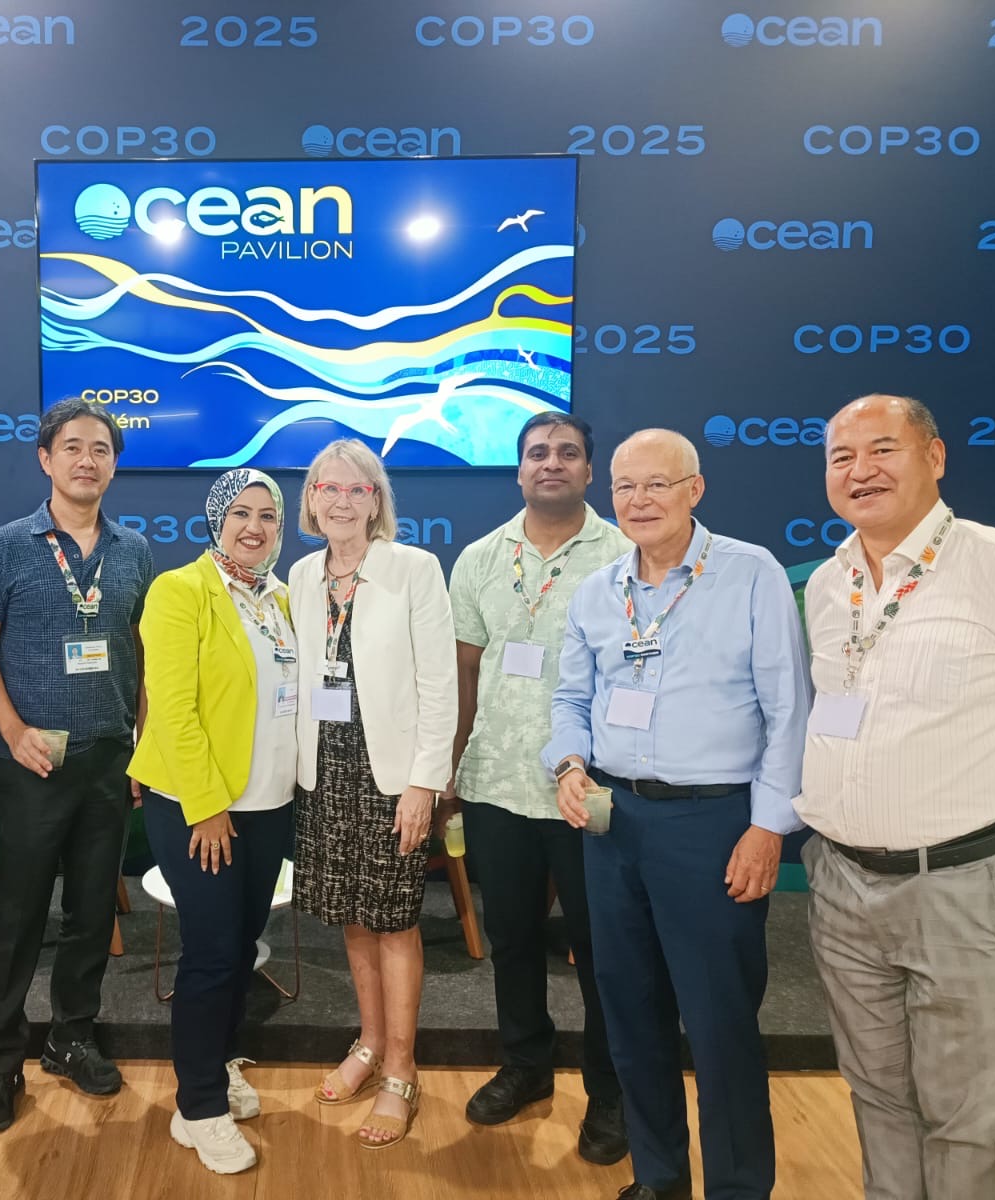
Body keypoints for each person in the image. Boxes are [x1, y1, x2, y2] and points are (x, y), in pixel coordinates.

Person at [796, 394, 995, 1200]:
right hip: (844, 885)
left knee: (967, 1119)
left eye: (883, 449)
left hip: (970, 886)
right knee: (877, 1098)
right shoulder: (827, 583)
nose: (860, 471)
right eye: (842, 457)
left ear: (936, 457)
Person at [544, 428, 809, 1200]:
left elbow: (789, 710)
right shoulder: (599, 590)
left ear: (695, 489)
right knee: (631, 1017)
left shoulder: (750, 573)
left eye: (657, 484)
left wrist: (767, 827)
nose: (639, 500)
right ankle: (659, 1179)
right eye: (625, 487)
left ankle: (737, 1189)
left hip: (713, 826)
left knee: (721, 1027)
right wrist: (568, 764)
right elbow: (570, 699)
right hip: (612, 824)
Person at [0, 396, 154, 1132]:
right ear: (46, 458)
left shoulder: (134, 550)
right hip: (32, 758)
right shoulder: (6, 546)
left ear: (114, 464)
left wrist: (142, 748)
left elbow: (141, 653)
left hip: (107, 759)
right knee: (15, 916)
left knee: (90, 914)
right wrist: (10, 731)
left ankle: (72, 1037)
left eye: (100, 449)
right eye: (72, 447)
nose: (86, 460)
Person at [446, 413, 631, 1160]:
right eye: (537, 453)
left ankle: (611, 1091)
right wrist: (452, 769)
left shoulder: (624, 554)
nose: (551, 463)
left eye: (567, 452)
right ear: (519, 470)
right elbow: (466, 672)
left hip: (590, 790)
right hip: (496, 783)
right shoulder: (480, 558)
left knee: (601, 947)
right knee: (513, 939)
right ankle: (525, 1065)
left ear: (588, 470)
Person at [287, 438, 457, 1150]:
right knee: (352, 917)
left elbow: (440, 684)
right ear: (312, 500)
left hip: (392, 777)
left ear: (377, 501)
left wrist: (425, 783)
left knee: (394, 920)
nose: (341, 501)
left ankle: (400, 1067)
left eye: (357, 490)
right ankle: (368, 1041)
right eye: (328, 488)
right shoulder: (300, 574)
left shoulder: (413, 569)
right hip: (324, 772)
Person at [130, 469, 298, 1175]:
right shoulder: (180, 591)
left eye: (268, 515)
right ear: (216, 520)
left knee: (241, 947)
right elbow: (171, 708)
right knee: (209, 952)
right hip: (197, 807)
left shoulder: (281, 598)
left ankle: (221, 1063)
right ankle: (197, 1108)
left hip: (270, 806)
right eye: (241, 514)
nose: (254, 527)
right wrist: (206, 807)